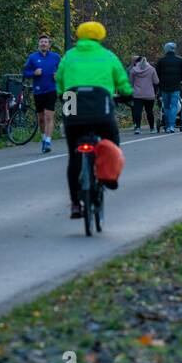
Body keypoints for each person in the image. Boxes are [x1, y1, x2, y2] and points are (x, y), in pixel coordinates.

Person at [54, 21, 132, 217]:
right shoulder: (108, 56)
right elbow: (122, 81)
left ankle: (74, 204)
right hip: (99, 103)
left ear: (79, 35)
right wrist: (127, 94)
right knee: (111, 140)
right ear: (100, 36)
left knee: (74, 156)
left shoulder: (69, 56)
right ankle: (108, 175)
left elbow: (59, 81)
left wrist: (61, 93)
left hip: (71, 101)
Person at [23, 33, 61, 154]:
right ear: (39, 44)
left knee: (48, 115)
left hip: (51, 89)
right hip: (38, 90)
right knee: (41, 118)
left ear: (49, 45)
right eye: (41, 42)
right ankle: (44, 138)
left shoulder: (56, 57)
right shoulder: (33, 57)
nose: (43, 44)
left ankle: (48, 141)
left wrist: (58, 76)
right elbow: (25, 72)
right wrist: (34, 73)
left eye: (46, 42)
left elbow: (63, 71)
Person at [154, 42, 182, 133]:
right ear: (174, 50)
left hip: (164, 87)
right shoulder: (179, 60)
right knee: (174, 106)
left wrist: (160, 82)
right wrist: (179, 80)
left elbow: (157, 74)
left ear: (166, 50)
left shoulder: (161, 60)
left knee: (166, 107)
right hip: (175, 87)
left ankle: (168, 125)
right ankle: (172, 126)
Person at [128, 55, 159, 133]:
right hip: (149, 94)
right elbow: (156, 81)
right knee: (149, 111)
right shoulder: (152, 69)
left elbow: (130, 83)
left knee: (137, 111)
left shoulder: (133, 70)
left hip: (137, 94)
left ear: (137, 62)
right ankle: (152, 128)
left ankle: (137, 128)